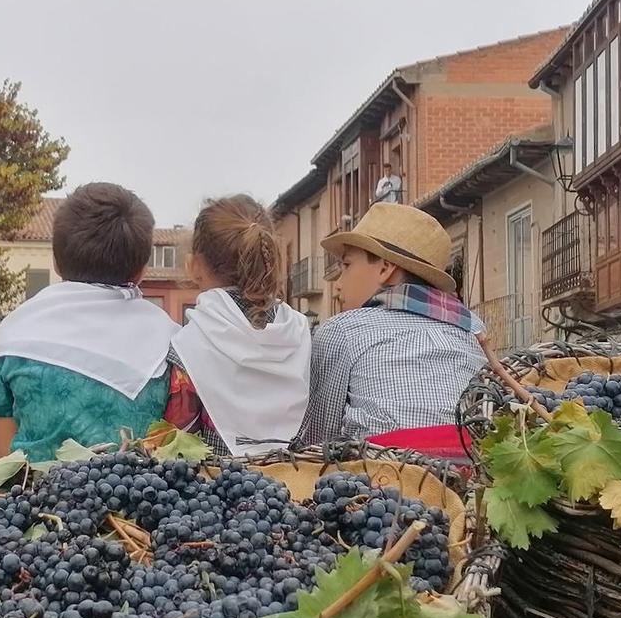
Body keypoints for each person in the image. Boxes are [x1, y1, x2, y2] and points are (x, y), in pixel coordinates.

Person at [0, 183, 177, 461]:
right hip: (141, 498)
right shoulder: (172, 342)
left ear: (57, 263)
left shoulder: (14, 332)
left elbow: (6, 453)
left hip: (34, 499)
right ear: (142, 270)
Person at [299, 202, 487, 446]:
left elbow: (319, 438)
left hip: (381, 472)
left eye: (346, 265)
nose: (338, 284)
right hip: (466, 467)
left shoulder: (343, 329)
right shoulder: (473, 328)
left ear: (385, 269)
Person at [163, 195, 312, 456]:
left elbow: (177, 445)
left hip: (215, 490)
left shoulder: (188, 345)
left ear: (195, 265)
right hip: (298, 488)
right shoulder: (303, 332)